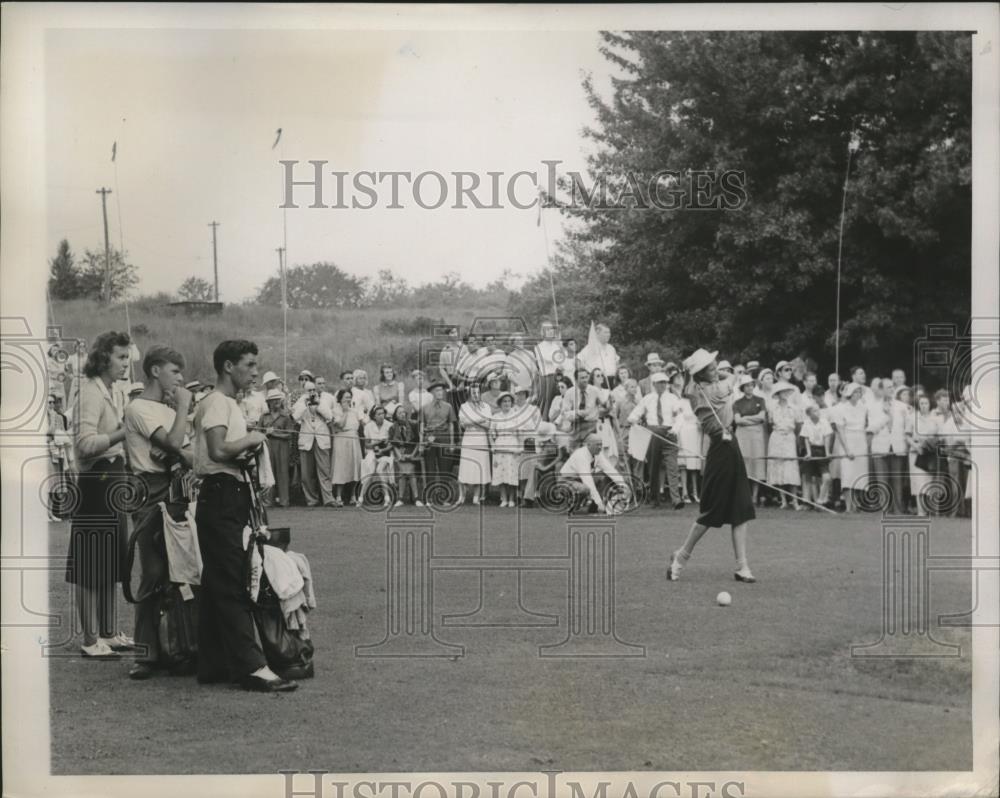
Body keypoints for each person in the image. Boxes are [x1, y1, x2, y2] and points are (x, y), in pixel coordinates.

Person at [193, 339, 296, 691]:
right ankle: (251, 666)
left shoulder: (226, 404)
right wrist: (252, 440)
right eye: (249, 365)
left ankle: (211, 663)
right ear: (227, 366)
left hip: (229, 494)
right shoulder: (218, 402)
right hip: (221, 494)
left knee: (216, 582)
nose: (255, 372)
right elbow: (218, 449)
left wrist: (248, 445)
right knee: (232, 580)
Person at [121, 345, 193, 679]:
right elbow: (175, 444)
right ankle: (146, 653)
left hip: (175, 488)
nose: (180, 378)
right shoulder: (139, 407)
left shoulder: (166, 409)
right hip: (148, 491)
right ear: (154, 371)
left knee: (177, 570)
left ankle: (176, 646)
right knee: (152, 570)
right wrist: (184, 409)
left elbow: (182, 452)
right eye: (174, 371)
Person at [67, 330, 135, 659]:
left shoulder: (110, 390)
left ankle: (109, 631)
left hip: (113, 480)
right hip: (96, 480)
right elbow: (84, 444)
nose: (126, 363)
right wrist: (124, 431)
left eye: (127, 357)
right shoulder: (90, 390)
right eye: (121, 357)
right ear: (104, 356)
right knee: (91, 563)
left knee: (110, 561)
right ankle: (91, 638)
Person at [668, 349, 756, 584]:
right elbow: (733, 378)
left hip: (731, 446)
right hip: (720, 450)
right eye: (711, 368)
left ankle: (742, 567)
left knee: (740, 509)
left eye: (715, 365)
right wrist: (726, 372)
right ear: (700, 375)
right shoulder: (710, 391)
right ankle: (680, 558)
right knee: (710, 513)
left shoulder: (696, 389)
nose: (716, 369)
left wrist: (696, 371)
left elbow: (705, 381)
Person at [627, 371, 685, 509]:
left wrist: (675, 429)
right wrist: (633, 420)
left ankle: (676, 499)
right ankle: (654, 499)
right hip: (652, 434)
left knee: (672, 467)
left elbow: (680, 417)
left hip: (669, 433)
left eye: (665, 382)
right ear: (653, 384)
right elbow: (634, 414)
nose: (663, 385)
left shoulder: (673, 398)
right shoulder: (647, 398)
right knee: (653, 468)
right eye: (660, 383)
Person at [558, 432, 628, 514]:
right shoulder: (580, 456)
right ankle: (570, 507)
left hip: (579, 480)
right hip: (566, 481)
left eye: (601, 444)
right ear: (588, 445)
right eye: (597, 445)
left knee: (606, 477)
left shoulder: (598, 454)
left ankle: (593, 507)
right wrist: (599, 502)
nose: (600, 447)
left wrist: (624, 487)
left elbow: (610, 470)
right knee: (584, 488)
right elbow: (588, 481)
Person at [292, 381, 336, 507]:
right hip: (306, 440)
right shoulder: (300, 402)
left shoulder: (323, 401)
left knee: (324, 471)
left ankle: (328, 499)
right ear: (304, 391)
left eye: (313, 390)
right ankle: (311, 500)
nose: (311, 393)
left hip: (321, 439)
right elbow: (295, 417)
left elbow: (329, 416)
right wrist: (305, 404)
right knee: (306, 474)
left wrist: (318, 404)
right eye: (309, 390)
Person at [834, 382, 870, 512]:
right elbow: (840, 431)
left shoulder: (864, 408)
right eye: (855, 392)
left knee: (859, 476)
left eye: (859, 392)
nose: (858, 394)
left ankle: (856, 506)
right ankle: (849, 507)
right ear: (850, 393)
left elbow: (867, 425)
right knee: (848, 475)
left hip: (861, 442)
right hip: (847, 441)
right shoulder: (841, 408)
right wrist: (847, 449)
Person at [732, 373, 766, 504]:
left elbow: (762, 417)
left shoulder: (760, 400)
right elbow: (737, 420)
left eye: (751, 385)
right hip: (743, 436)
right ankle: (744, 496)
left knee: (757, 464)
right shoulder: (737, 403)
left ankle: (755, 496)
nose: (749, 387)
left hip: (756, 435)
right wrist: (753, 419)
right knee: (743, 464)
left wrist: (746, 419)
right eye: (746, 385)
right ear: (742, 387)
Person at [766, 382, 801, 509]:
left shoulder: (794, 408)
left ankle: (795, 501)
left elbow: (798, 426)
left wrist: (792, 437)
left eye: (787, 391)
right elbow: (770, 424)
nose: (785, 393)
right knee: (778, 468)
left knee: (791, 468)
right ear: (778, 394)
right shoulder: (772, 408)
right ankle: (783, 500)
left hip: (789, 438)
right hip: (776, 437)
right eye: (783, 391)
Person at [419, 381, 457, 498]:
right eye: (437, 390)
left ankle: (443, 496)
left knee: (444, 468)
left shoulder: (448, 407)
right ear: (431, 393)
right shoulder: (425, 408)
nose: (440, 393)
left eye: (442, 390)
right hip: (429, 440)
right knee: (430, 468)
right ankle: (430, 496)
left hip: (444, 438)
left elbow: (451, 425)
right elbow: (421, 425)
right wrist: (421, 443)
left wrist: (451, 443)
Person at [457, 382, 493, 504]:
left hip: (481, 439)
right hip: (468, 439)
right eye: (473, 393)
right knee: (465, 467)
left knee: (479, 467)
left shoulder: (486, 407)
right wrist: (480, 420)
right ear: (469, 393)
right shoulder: (464, 407)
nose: (475, 395)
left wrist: (471, 421)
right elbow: (463, 424)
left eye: (477, 392)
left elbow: (488, 425)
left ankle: (476, 497)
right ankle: (461, 496)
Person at [259, 389, 294, 507]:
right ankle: (268, 501)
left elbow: (290, 434)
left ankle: (284, 500)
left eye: (278, 400)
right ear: (268, 402)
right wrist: (266, 434)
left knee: (283, 472)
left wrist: (275, 434)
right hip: (267, 446)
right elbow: (258, 433)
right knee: (268, 472)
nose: (276, 402)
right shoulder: (264, 416)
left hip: (282, 447)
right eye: (273, 400)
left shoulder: (285, 416)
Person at [908, 393, 940, 516]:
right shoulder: (912, 418)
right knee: (918, 482)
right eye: (921, 403)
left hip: (929, 453)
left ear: (930, 404)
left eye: (926, 403)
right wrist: (916, 446)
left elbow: (938, 436)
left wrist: (930, 444)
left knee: (929, 482)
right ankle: (921, 511)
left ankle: (931, 510)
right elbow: (907, 435)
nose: (924, 406)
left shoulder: (935, 418)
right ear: (918, 405)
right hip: (916, 452)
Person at [331, 388, 364, 507]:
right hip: (341, 440)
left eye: (350, 397)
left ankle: (353, 496)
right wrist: (345, 411)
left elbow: (358, 426)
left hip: (354, 440)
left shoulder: (354, 411)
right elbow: (340, 425)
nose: (348, 399)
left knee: (355, 467)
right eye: (346, 397)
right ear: (340, 399)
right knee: (341, 468)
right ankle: (338, 497)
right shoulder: (336, 410)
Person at [866, 379, 894, 512]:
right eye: (888, 387)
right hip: (879, 445)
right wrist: (886, 416)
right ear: (882, 390)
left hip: (896, 447)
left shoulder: (899, 405)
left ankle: (897, 508)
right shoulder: (873, 406)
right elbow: (872, 427)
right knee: (882, 479)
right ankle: (885, 509)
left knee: (896, 480)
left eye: (892, 387)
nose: (892, 390)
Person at [799, 404, 833, 511]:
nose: (818, 413)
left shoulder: (824, 422)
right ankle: (807, 502)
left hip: (822, 450)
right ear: (809, 414)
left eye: (818, 410)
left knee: (827, 478)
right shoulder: (806, 424)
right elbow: (806, 439)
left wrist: (827, 452)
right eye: (814, 411)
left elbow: (827, 437)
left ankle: (820, 500)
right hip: (812, 450)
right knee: (807, 477)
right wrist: (808, 453)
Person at [490, 392, 521, 507]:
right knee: (500, 472)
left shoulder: (516, 416)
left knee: (511, 472)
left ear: (512, 403)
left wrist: (519, 447)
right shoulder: (496, 417)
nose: (506, 403)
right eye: (504, 401)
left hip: (512, 445)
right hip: (500, 445)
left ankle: (512, 499)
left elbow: (521, 434)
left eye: (508, 401)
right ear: (500, 403)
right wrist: (493, 445)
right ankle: (504, 498)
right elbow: (491, 434)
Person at [361, 404, 395, 507]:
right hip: (372, 452)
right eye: (378, 414)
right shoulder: (368, 426)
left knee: (380, 470)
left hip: (386, 453)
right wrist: (376, 443)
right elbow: (366, 444)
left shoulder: (390, 425)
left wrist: (382, 450)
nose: (381, 416)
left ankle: (387, 497)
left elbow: (391, 444)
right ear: (374, 416)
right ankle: (361, 497)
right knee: (370, 470)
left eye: (383, 413)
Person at [389, 404, 423, 506]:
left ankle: (410, 498)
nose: (402, 414)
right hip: (399, 452)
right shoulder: (392, 428)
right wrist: (399, 455)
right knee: (403, 472)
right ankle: (407, 498)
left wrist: (412, 454)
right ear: (395, 415)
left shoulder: (413, 425)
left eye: (404, 412)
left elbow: (418, 442)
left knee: (410, 471)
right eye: (400, 413)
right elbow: (393, 444)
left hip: (412, 452)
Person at [888, 386, 913, 514]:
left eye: (890, 389)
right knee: (887, 478)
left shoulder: (904, 407)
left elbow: (908, 426)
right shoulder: (881, 404)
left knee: (899, 479)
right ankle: (888, 507)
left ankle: (898, 508)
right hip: (884, 445)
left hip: (900, 447)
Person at [534, 321, 564, 416]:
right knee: (547, 402)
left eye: (551, 329)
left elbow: (563, 360)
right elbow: (549, 358)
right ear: (543, 332)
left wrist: (561, 348)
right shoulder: (539, 347)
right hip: (547, 377)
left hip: (558, 377)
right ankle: (544, 421)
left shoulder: (556, 345)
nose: (550, 331)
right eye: (547, 330)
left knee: (559, 401)